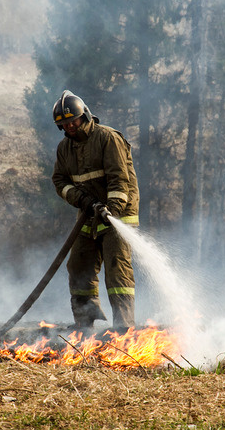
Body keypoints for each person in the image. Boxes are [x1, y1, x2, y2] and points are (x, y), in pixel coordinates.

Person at [51, 90, 139, 330]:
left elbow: (120, 180)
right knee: (78, 264)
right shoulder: (64, 149)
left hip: (117, 215)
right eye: (64, 124)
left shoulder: (108, 138)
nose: (69, 126)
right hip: (89, 215)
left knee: (116, 270)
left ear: (85, 115)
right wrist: (82, 199)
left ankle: (124, 329)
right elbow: (59, 180)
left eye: (73, 121)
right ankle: (85, 324)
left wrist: (112, 210)